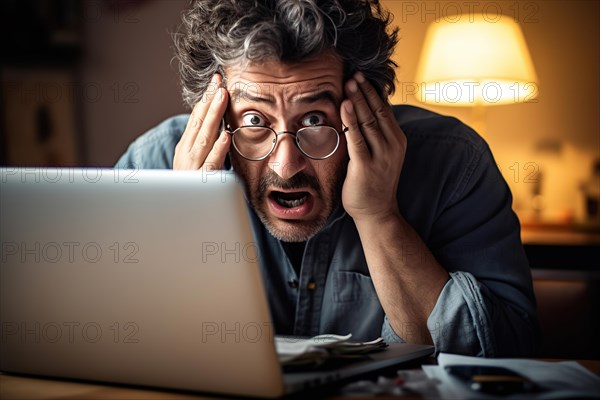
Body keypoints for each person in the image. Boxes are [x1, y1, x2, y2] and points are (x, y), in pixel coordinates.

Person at [115, 0, 540, 357]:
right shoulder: (154, 162)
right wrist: (182, 223)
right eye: (254, 120)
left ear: (365, 107)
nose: (286, 165)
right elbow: (109, 341)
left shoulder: (453, 163)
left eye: (315, 119)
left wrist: (379, 216)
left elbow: (508, 356)